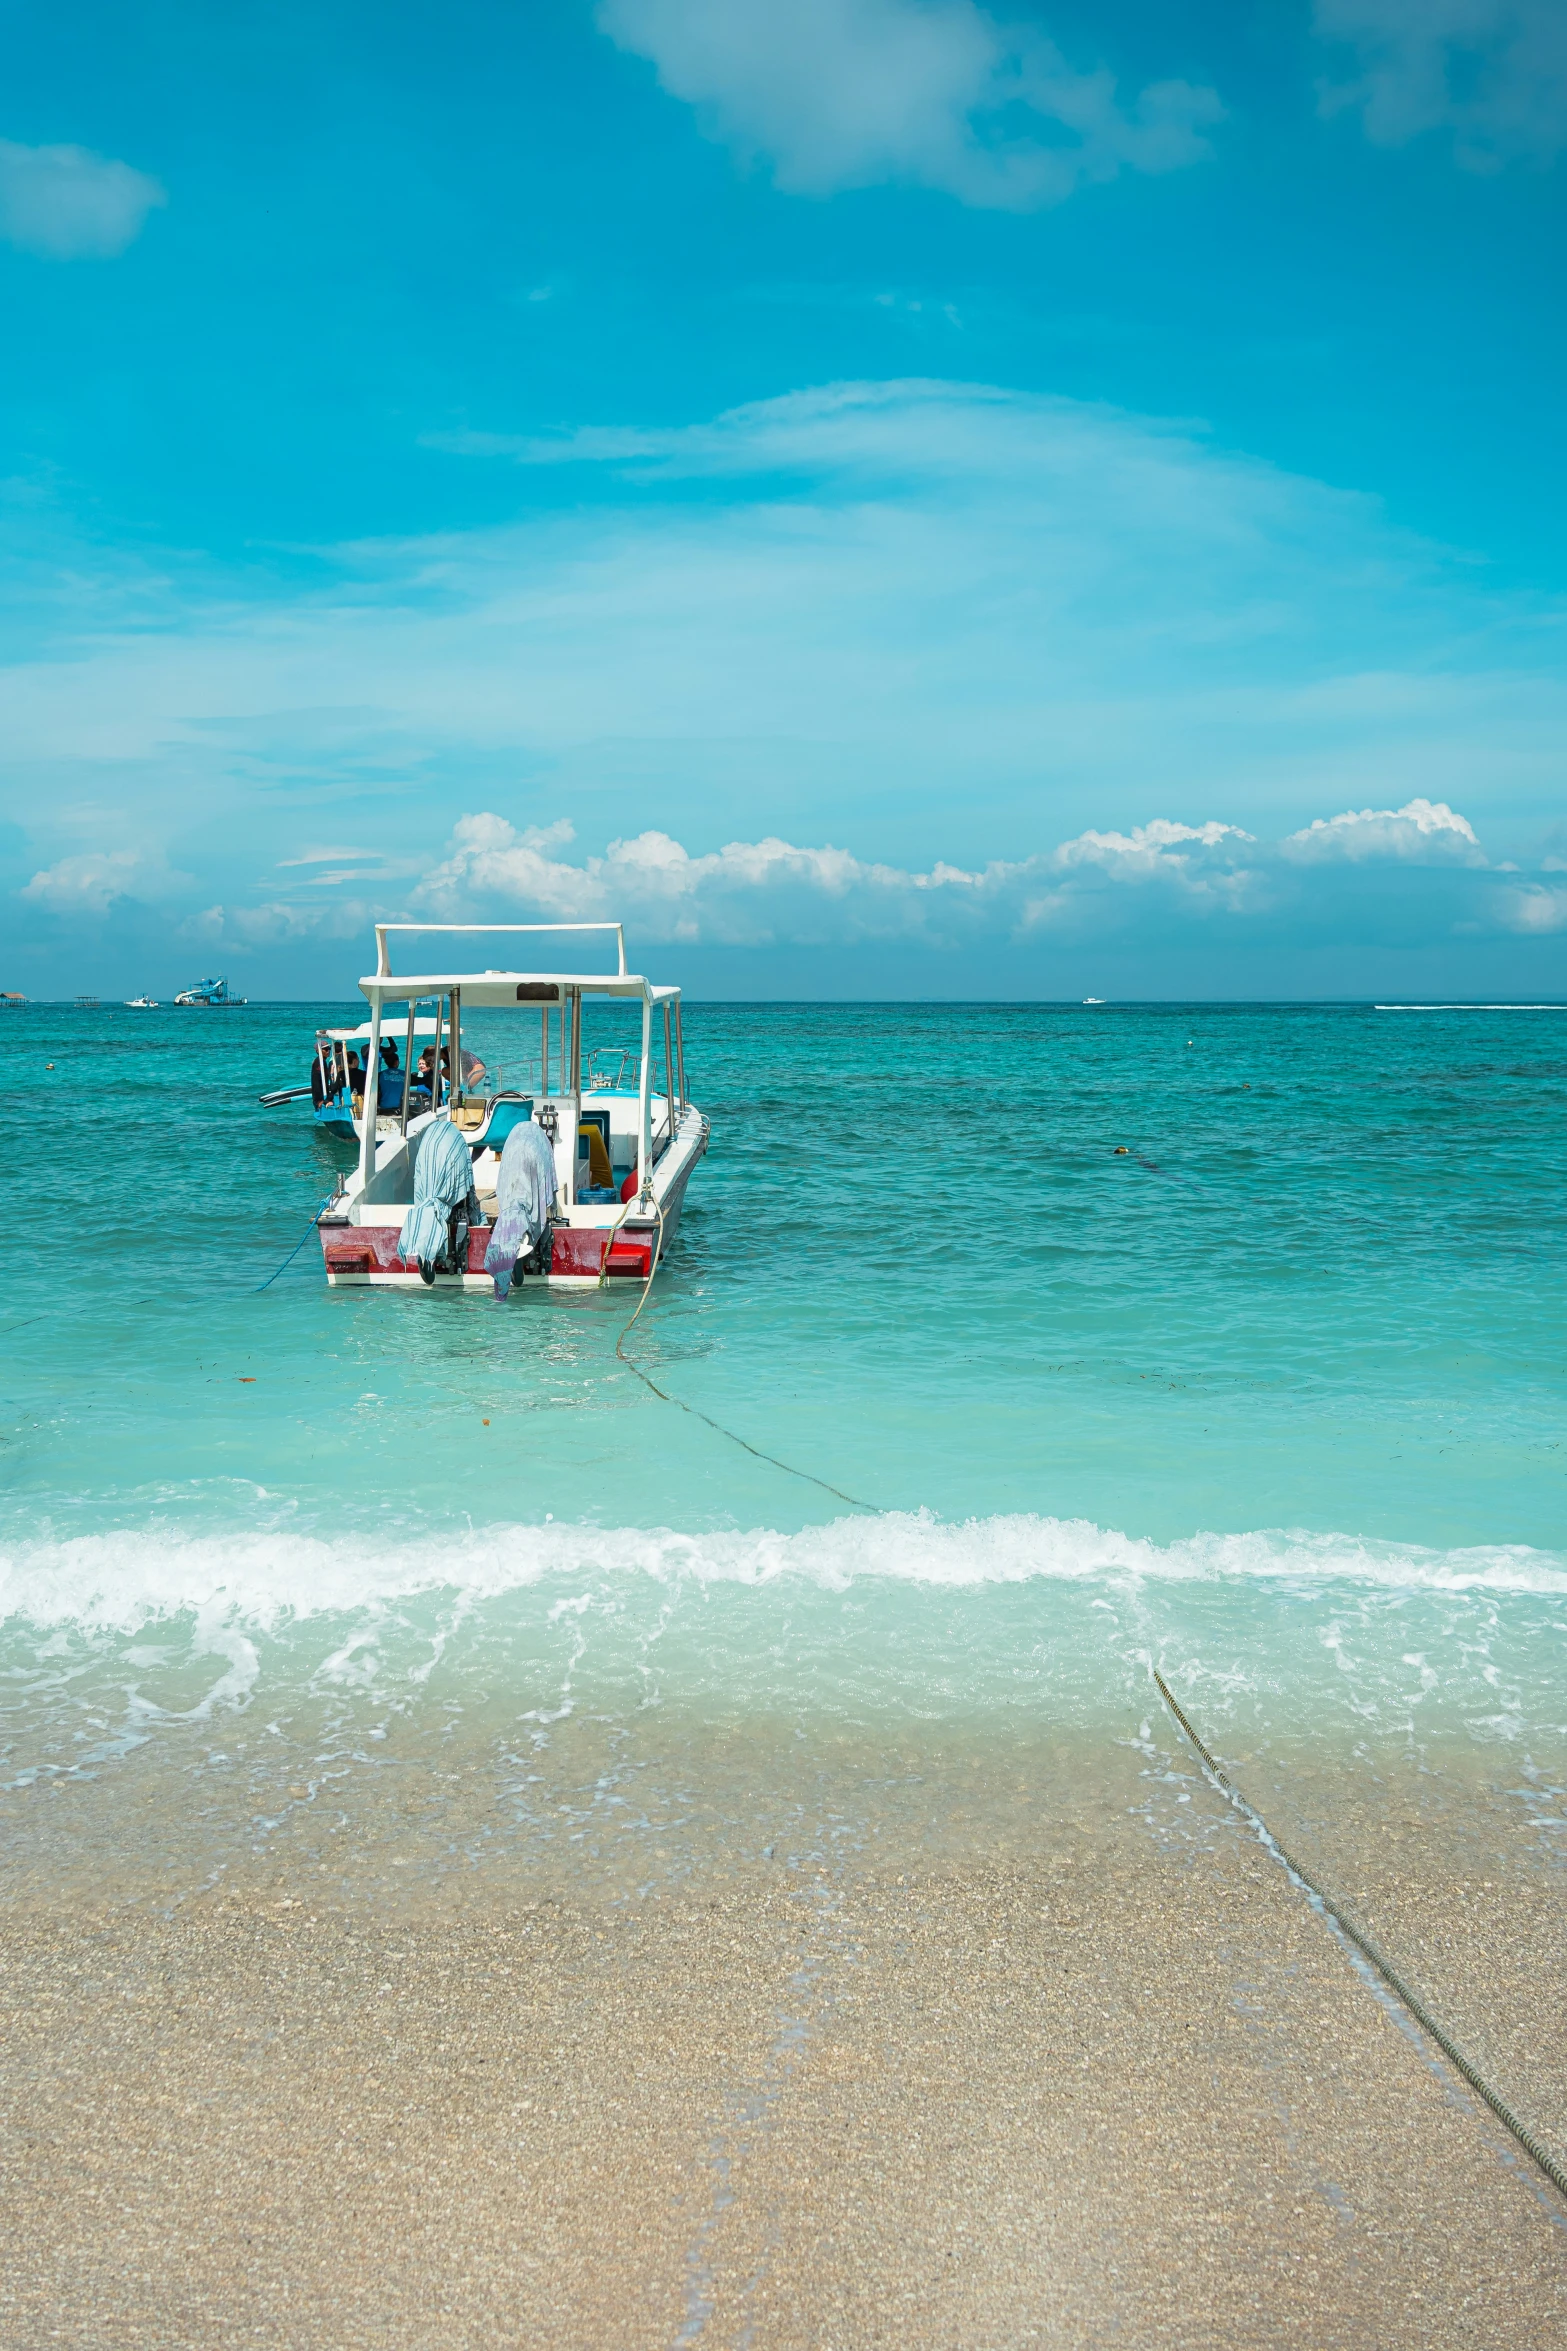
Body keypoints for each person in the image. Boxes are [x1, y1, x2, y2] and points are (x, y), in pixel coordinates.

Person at [398, 1119, 481, 1284]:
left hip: (428, 1180)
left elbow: (419, 1182)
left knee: (428, 1199)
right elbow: (468, 1185)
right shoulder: (457, 1141)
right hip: (448, 1157)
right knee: (451, 1202)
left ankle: (429, 1244)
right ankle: (437, 1247)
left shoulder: (429, 1142)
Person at [484, 1118, 558, 1300]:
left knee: (513, 1192)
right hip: (532, 1148)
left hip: (515, 1147)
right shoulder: (543, 1143)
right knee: (531, 1196)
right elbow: (548, 1184)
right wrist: (551, 1209)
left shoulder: (515, 1138)